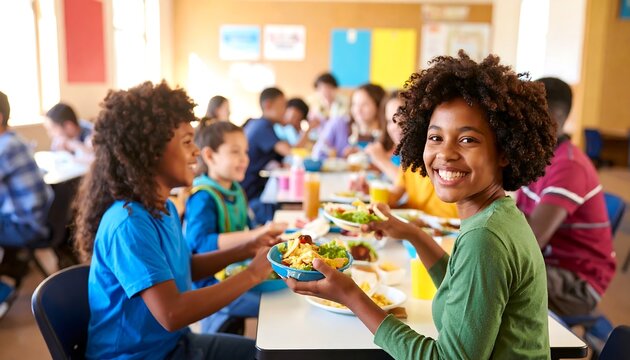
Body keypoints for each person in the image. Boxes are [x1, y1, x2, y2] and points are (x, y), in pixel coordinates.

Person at [286, 51, 556, 359]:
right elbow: (464, 292)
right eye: (435, 138)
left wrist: (350, 294)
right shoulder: (497, 215)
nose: (446, 154)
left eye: (467, 140)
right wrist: (411, 233)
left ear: (504, 151)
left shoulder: (485, 238)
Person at [74, 81, 278, 359]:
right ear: (149, 151)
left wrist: (246, 248)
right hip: (139, 356)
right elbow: (172, 313)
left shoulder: (164, 207)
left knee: (276, 354)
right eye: (186, 142)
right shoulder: (128, 223)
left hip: (175, 346)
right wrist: (252, 274)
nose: (196, 151)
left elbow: (185, 267)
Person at [516, 77, 616, 317]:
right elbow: (515, 220)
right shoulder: (538, 158)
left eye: (531, 115)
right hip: (547, 265)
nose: (522, 123)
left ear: (556, 120)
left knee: (492, 279)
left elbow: (531, 240)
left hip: (578, 283)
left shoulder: (569, 165)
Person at [184, 121, 287, 333]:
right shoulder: (203, 197)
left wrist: (266, 238)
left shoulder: (236, 189)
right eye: (235, 152)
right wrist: (257, 233)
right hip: (212, 286)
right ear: (210, 156)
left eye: (246, 151)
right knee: (279, 307)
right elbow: (202, 244)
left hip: (238, 272)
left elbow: (250, 228)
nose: (244, 159)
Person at [363, 91, 458, 218]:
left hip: (444, 225)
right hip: (416, 225)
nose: (395, 126)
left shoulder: (435, 152)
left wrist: (381, 161)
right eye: (390, 121)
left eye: (403, 116)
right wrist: (372, 191)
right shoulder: (407, 155)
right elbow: (398, 192)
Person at [0, 90, 53, 318]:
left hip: (27, 227)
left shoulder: (5, 148)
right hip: (36, 219)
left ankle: (3, 289)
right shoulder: (14, 140)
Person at [241, 87, 291, 225]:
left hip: (252, 192)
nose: (285, 111)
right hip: (251, 198)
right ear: (268, 105)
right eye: (282, 106)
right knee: (285, 215)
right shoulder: (262, 126)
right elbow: (289, 151)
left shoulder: (259, 124)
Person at [312, 83, 390, 160]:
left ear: (379, 106)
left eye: (365, 104)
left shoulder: (389, 132)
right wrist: (340, 159)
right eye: (355, 104)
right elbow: (317, 154)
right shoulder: (338, 124)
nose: (358, 110)